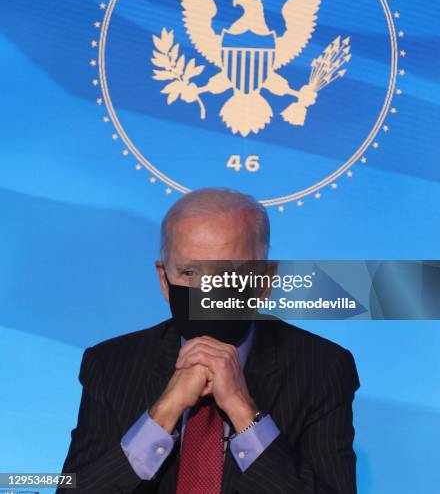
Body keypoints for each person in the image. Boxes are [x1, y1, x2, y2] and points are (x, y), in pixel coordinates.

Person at [57, 187, 360, 493]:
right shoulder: (111, 366)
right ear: (164, 280)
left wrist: (244, 411)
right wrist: (162, 415)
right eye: (190, 272)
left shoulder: (322, 369)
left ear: (266, 281)